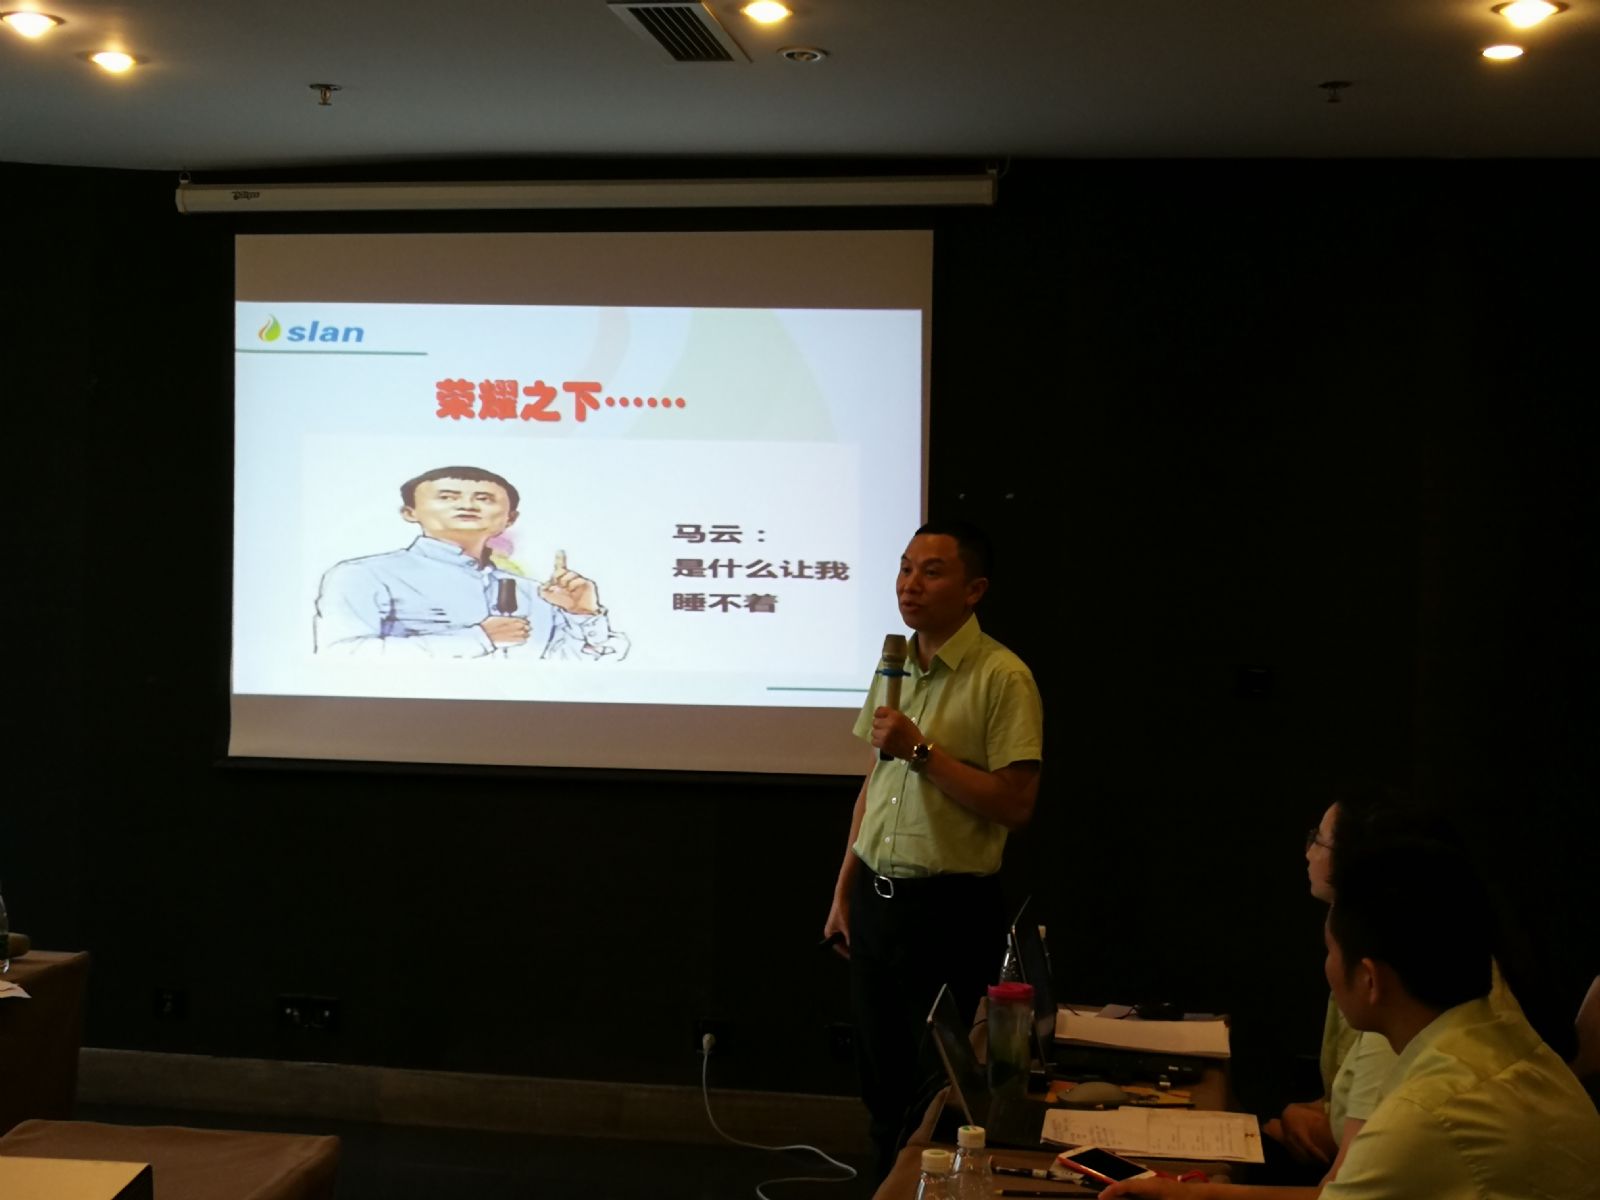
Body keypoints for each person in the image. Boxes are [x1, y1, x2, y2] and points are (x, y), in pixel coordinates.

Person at [1103, 837, 1600, 1200]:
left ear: (1370, 979)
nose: (1325, 969)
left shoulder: (1422, 1115)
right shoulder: (1502, 1035)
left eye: (1330, 952)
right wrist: (1198, 1194)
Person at [820, 519, 1044, 1179]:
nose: (909, 584)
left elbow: (1016, 804)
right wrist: (844, 888)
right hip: (877, 901)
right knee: (880, 1088)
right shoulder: (894, 662)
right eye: (905, 567)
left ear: (974, 589)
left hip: (948, 911)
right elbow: (877, 781)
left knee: (934, 1095)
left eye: (931, 571)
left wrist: (921, 749)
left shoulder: (1003, 676)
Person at [313, 465, 628, 659]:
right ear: (410, 513)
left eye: (484, 499)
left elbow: (577, 670)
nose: (467, 505)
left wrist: (583, 615)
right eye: (447, 497)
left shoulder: (537, 593)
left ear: (509, 519)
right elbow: (343, 654)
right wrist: (479, 639)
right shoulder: (364, 575)